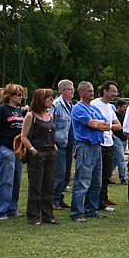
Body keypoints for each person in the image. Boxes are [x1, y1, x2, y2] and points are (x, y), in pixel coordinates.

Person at [70, 81, 110, 222]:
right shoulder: (78, 108)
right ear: (81, 93)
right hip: (85, 146)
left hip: (97, 146)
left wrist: (99, 124)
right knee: (83, 180)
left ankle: (91, 209)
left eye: (92, 91)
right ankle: (77, 212)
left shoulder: (93, 109)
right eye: (88, 91)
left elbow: (108, 124)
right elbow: (92, 124)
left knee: (96, 181)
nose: (92, 93)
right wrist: (98, 124)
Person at [21, 89, 59, 226]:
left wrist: (54, 144)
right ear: (40, 100)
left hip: (50, 153)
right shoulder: (31, 116)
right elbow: (23, 136)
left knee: (49, 185)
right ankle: (34, 216)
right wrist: (32, 149)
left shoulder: (50, 116)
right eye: (49, 98)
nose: (51, 100)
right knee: (36, 186)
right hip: (37, 154)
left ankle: (48, 215)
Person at [0, 84, 25, 220]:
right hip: (5, 149)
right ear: (9, 96)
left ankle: (12, 208)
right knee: (5, 181)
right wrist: (0, 147)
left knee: (16, 180)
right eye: (18, 95)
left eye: (21, 95)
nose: (20, 97)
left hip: (17, 151)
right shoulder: (1, 110)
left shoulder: (18, 111)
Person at [91, 81, 122, 212]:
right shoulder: (94, 105)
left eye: (116, 92)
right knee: (95, 175)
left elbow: (118, 125)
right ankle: (93, 202)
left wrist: (106, 126)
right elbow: (95, 124)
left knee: (106, 175)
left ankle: (102, 201)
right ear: (105, 91)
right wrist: (106, 126)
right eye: (113, 91)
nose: (115, 94)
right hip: (98, 144)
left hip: (109, 143)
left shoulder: (110, 107)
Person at [51, 79, 75, 210]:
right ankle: (53, 200)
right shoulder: (56, 105)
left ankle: (59, 198)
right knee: (59, 173)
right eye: (69, 89)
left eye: (73, 90)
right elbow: (50, 124)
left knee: (66, 175)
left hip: (69, 144)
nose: (72, 92)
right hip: (59, 144)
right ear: (62, 90)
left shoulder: (71, 105)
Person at [112, 100, 128, 185]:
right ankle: (123, 178)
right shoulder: (113, 115)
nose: (125, 109)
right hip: (117, 139)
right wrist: (115, 138)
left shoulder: (124, 115)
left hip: (124, 139)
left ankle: (107, 175)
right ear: (118, 107)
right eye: (123, 107)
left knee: (115, 159)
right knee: (121, 159)